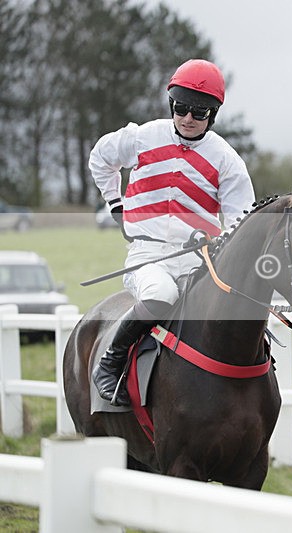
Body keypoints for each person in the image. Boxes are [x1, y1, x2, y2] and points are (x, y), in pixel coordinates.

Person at [89, 59, 255, 406]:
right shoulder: (142, 136)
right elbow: (100, 158)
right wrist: (115, 204)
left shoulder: (227, 161)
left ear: (213, 114)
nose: (188, 119)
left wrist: (226, 241)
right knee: (161, 295)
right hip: (149, 257)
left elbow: (242, 220)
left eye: (199, 112)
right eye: (181, 109)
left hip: (198, 261)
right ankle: (110, 363)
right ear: (171, 104)